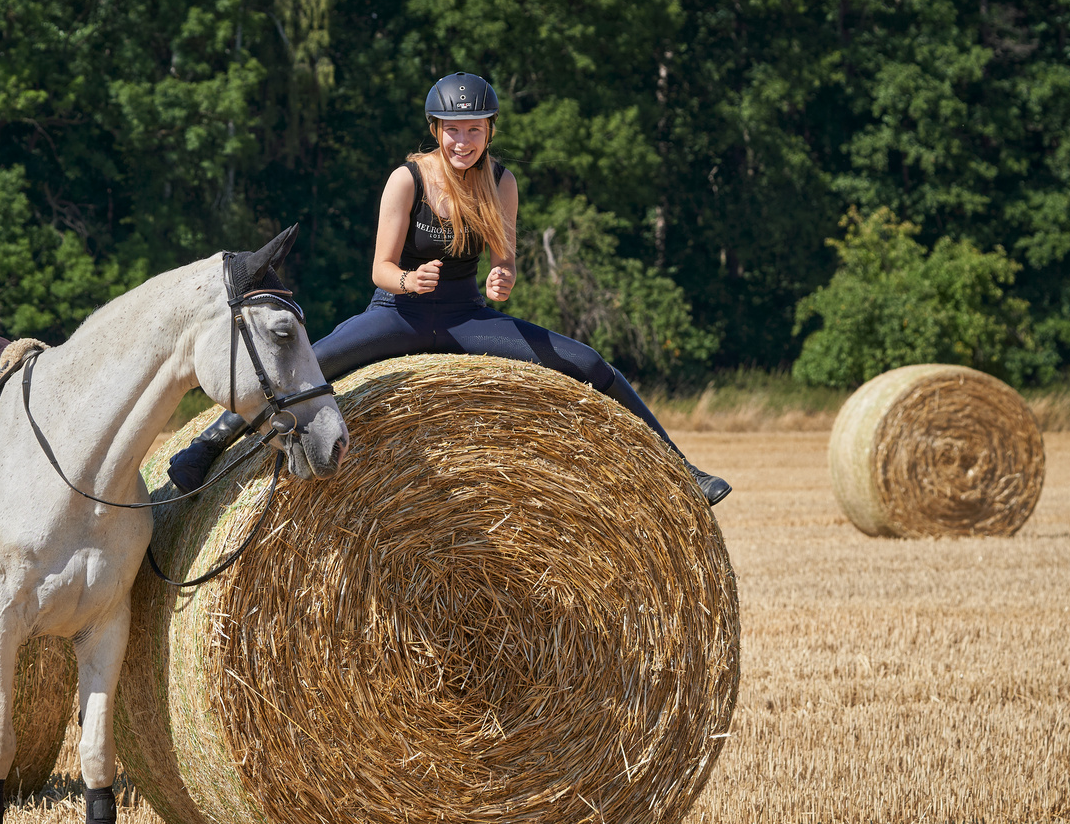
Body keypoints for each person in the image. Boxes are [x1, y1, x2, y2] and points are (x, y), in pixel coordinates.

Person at [169, 72, 731, 505]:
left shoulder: (501, 181)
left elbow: (504, 260)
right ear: (436, 131)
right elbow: (380, 270)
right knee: (302, 373)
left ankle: (683, 471)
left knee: (589, 363)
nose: (463, 141)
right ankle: (204, 450)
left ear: (489, 130)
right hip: (397, 315)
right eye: (453, 130)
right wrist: (409, 280)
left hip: (466, 317)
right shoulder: (407, 179)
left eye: (474, 129)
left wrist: (504, 275)